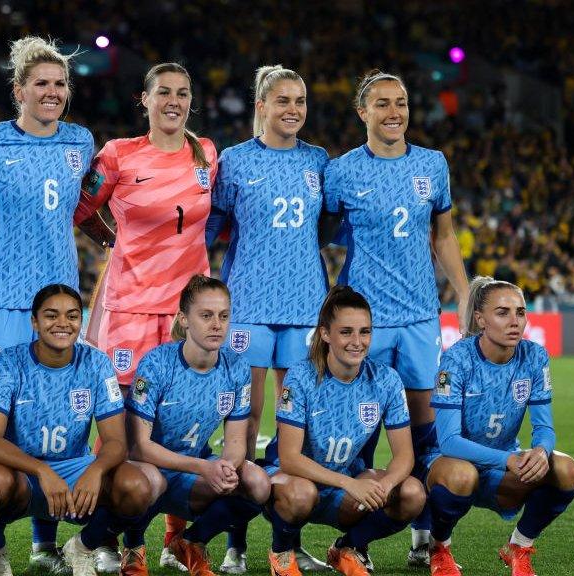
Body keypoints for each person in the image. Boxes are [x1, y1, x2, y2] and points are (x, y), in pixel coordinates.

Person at [0, 36, 95, 573]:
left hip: (58, 306)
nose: (53, 92)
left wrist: (107, 235)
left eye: (60, 84)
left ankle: (43, 544)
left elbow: (88, 204)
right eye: (42, 84)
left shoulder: (80, 141)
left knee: (51, 421)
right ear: (19, 91)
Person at [73, 62, 218, 572]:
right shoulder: (117, 155)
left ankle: (174, 537)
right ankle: (125, 541)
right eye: (164, 93)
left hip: (187, 313)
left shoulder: (207, 155)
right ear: (145, 99)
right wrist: (113, 240)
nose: (174, 101)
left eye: (183, 93)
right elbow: (79, 206)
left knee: (186, 422)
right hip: (131, 308)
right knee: (131, 432)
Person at [323, 69, 469, 567]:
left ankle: (424, 539)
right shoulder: (341, 171)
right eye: (382, 104)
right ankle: (355, 541)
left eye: (401, 103)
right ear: (362, 112)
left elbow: (443, 237)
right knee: (360, 431)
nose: (394, 113)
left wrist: (464, 291)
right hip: (364, 323)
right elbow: (320, 236)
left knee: (425, 432)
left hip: (420, 318)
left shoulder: (433, 163)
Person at [208, 64, 337, 574]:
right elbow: (213, 226)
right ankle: (235, 541)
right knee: (243, 428)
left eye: (300, 101)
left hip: (306, 306)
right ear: (260, 106)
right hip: (248, 308)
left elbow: (327, 225)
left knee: (295, 433)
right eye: (282, 100)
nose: (293, 110)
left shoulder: (319, 161)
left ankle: (287, 537)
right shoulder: (235, 162)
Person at [0, 284, 156, 576]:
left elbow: (116, 442)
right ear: (34, 321)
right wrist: (42, 471)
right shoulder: (8, 363)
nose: (62, 323)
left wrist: (95, 471)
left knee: (136, 487)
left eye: (72, 316)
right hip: (20, 472)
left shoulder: (96, 363)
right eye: (51, 315)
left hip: (75, 469)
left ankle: (82, 546)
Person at [264, 286, 426, 576]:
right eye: (346, 332)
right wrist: (348, 483)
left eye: (364, 332)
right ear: (325, 334)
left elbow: (404, 456)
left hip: (343, 489)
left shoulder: (386, 380)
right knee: (301, 493)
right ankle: (281, 553)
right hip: (291, 484)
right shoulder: (301, 375)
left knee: (412, 492)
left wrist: (385, 486)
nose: (357, 341)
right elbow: (289, 458)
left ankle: (346, 548)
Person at [424, 277, 574, 576]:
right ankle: (439, 547)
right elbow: (449, 442)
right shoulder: (456, 359)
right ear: (481, 319)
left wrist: (541, 451)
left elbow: (544, 428)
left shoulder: (534, 356)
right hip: (452, 465)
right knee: (462, 474)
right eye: (503, 312)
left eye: (520, 312)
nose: (515, 321)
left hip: (504, 467)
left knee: (566, 469)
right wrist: (508, 459)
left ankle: (519, 547)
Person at [122, 275, 271, 576]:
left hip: (191, 472)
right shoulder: (157, 363)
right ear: (184, 319)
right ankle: (133, 548)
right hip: (146, 469)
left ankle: (191, 541)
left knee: (257, 482)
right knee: (149, 481)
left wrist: (225, 468)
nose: (217, 324)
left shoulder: (236, 368)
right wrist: (204, 468)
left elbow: (236, 442)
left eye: (223, 316)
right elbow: (138, 446)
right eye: (206, 315)